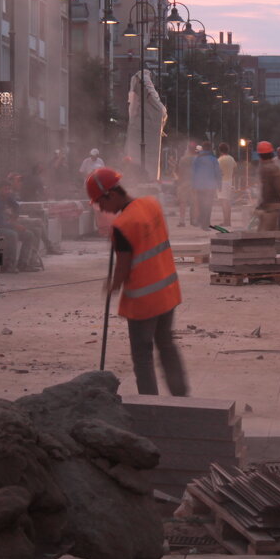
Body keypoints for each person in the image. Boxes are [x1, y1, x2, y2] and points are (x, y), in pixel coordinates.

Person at [87, 167, 189, 397]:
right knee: (167, 346)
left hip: (144, 303)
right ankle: (182, 398)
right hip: (167, 293)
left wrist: (112, 285)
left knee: (142, 356)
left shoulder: (123, 226)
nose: (101, 209)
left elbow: (123, 266)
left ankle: (150, 407)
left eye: (100, 204)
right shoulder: (151, 204)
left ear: (111, 195)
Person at [0, 178, 40, 272]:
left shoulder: (7, 196)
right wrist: (15, 225)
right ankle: (9, 265)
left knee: (29, 235)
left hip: (5, 224)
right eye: (5, 189)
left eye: (9, 189)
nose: (7, 191)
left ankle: (23, 264)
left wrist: (15, 216)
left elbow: (16, 206)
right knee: (12, 235)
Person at [191, 142, 221, 229]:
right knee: (208, 205)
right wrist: (219, 185)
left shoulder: (197, 159)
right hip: (210, 187)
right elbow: (217, 173)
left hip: (199, 186)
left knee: (201, 204)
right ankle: (206, 223)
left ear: (203, 149)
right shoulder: (213, 159)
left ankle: (201, 221)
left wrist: (193, 185)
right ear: (210, 148)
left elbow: (193, 173)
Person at [174, 141, 197, 227]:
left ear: (188, 149)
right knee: (194, 202)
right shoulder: (197, 159)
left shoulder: (183, 159)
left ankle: (182, 221)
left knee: (182, 202)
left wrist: (179, 182)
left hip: (184, 182)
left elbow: (179, 171)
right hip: (194, 183)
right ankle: (194, 220)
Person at [217, 143, 238, 227]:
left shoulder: (219, 160)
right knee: (228, 202)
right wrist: (231, 177)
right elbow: (235, 169)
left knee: (224, 203)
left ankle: (226, 221)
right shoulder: (231, 159)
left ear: (220, 150)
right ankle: (228, 221)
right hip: (229, 182)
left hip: (222, 182)